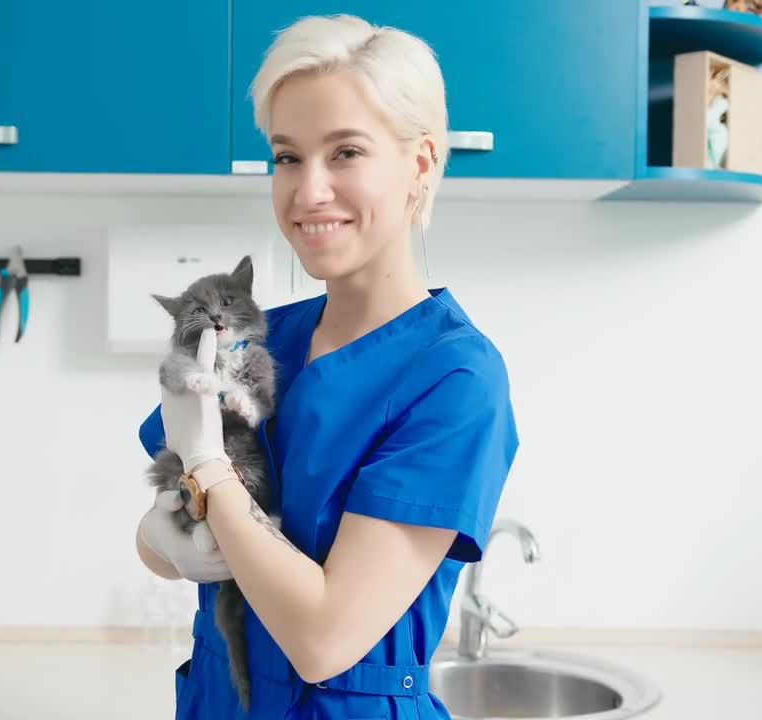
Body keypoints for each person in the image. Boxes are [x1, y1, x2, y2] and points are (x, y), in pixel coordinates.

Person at [134, 13, 519, 719]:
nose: (307, 191)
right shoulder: (257, 340)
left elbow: (323, 638)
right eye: (287, 156)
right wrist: (163, 537)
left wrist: (209, 469)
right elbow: (164, 534)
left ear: (422, 163)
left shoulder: (455, 381)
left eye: (345, 153)